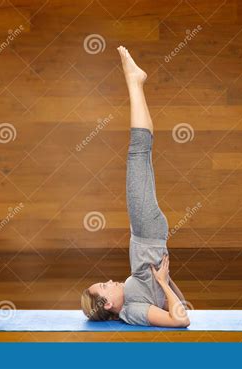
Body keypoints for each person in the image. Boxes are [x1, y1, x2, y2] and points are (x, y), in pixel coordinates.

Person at [80, 46, 190, 327]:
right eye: (104, 287)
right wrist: (164, 284)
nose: (108, 281)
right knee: (138, 153)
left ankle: (135, 81)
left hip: (146, 233)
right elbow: (181, 320)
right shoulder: (131, 311)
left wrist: (168, 286)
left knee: (143, 152)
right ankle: (133, 80)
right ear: (107, 304)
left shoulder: (130, 299)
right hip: (146, 232)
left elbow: (183, 306)